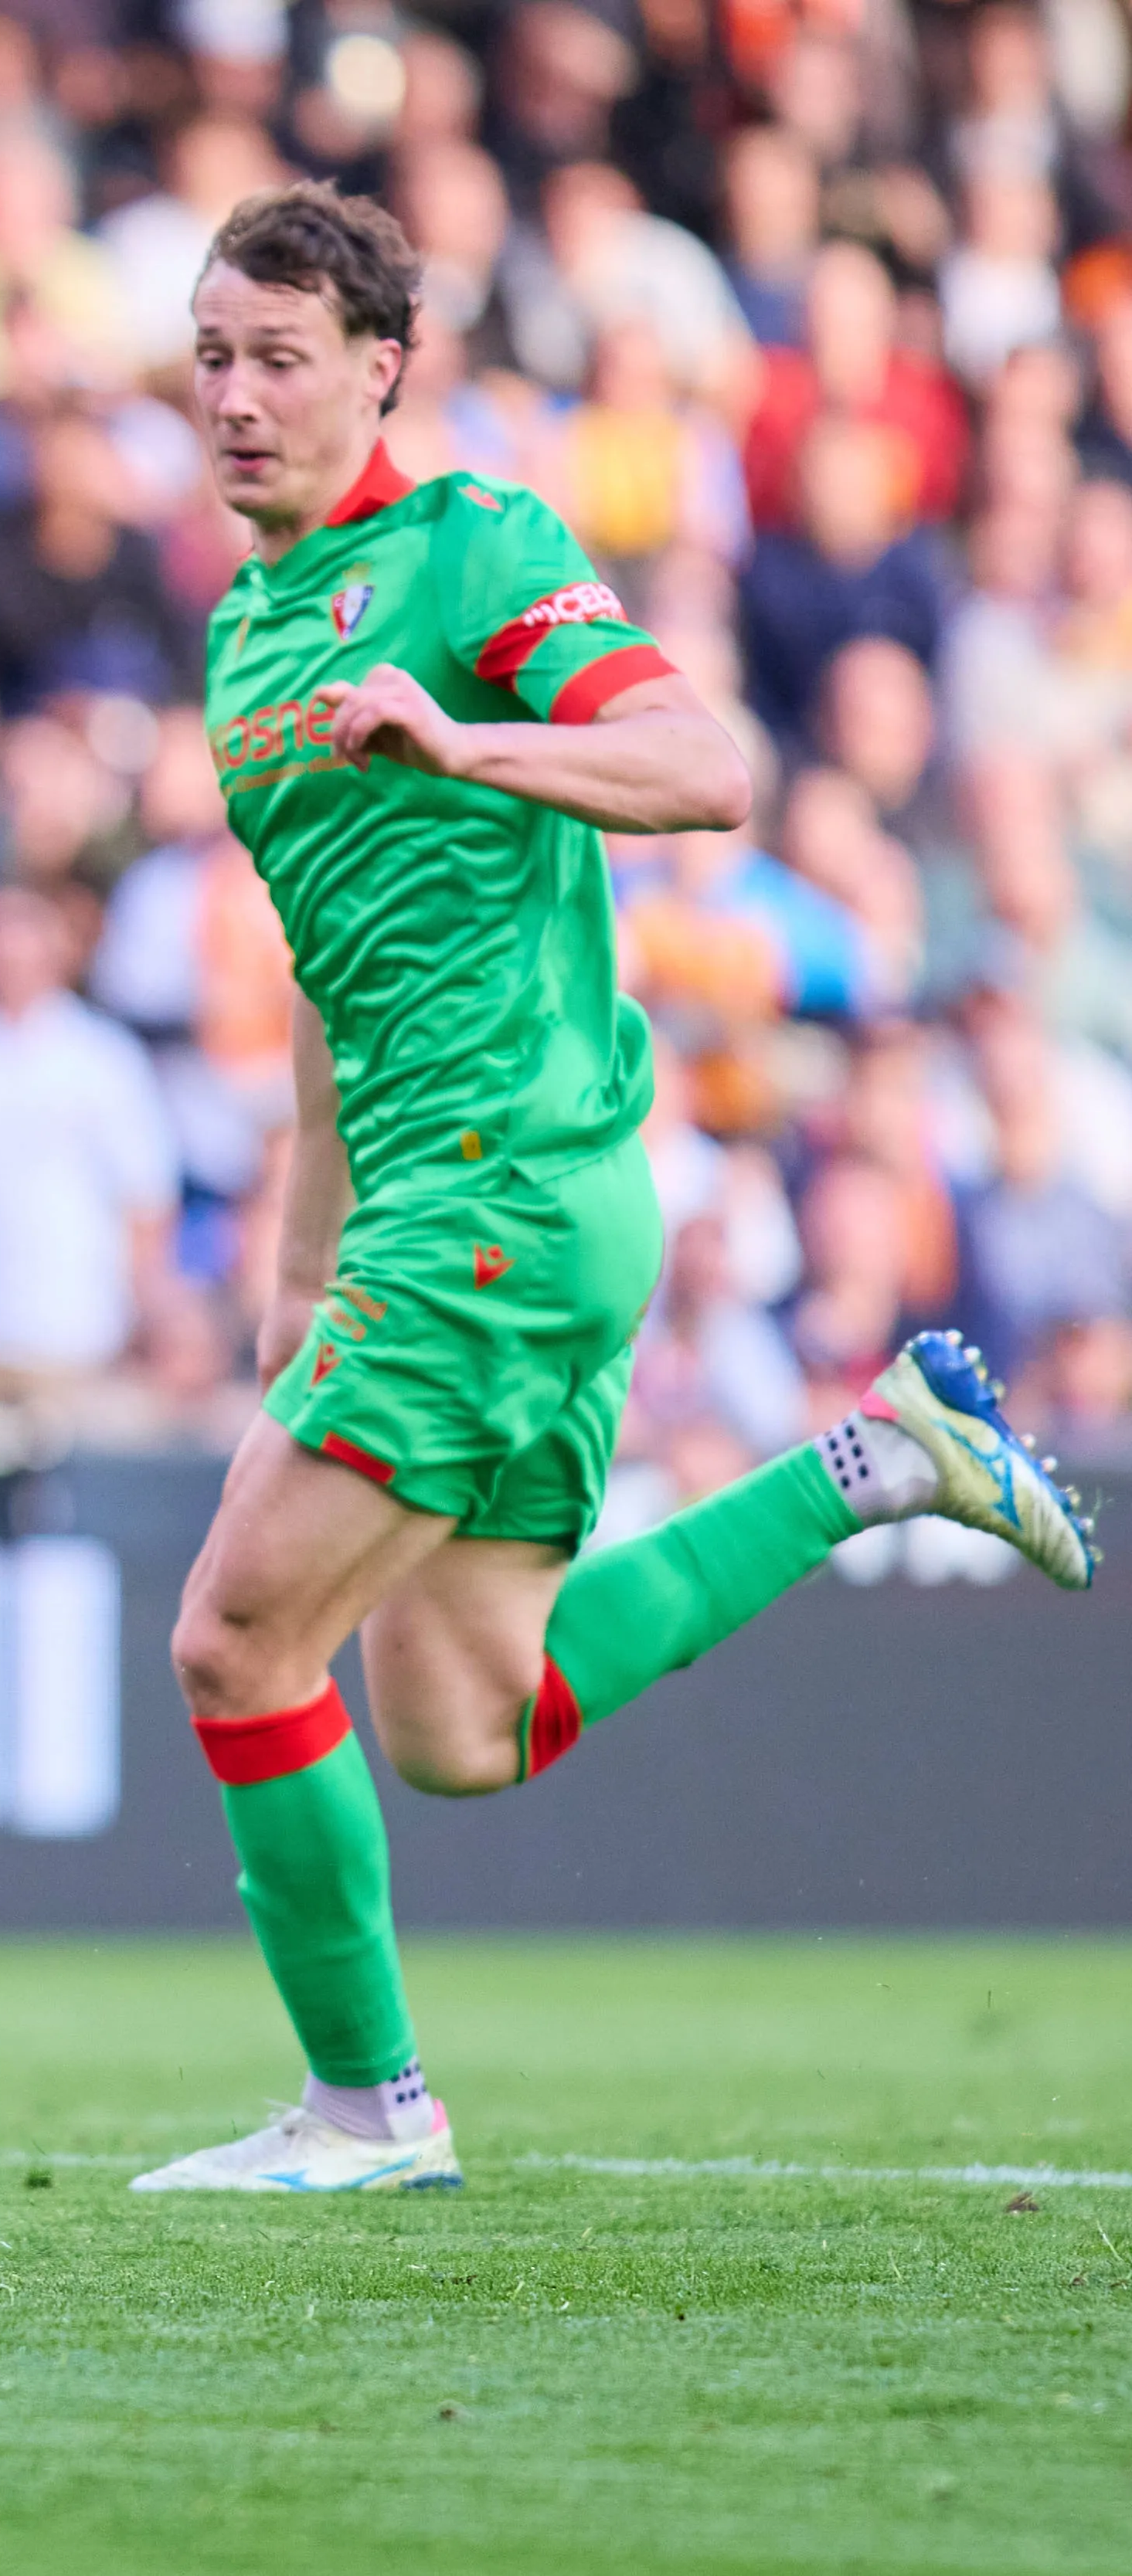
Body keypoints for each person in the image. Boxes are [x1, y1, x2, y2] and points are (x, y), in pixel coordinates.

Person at [143, 185, 1096, 2198]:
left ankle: (365, 2110)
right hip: (448, 1209)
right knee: (465, 1723)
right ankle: (879, 1458)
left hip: (504, 1189)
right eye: (211, 356)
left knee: (239, 1639)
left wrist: (464, 736)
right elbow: (333, 962)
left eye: (278, 358)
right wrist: (298, 1252)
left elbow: (709, 762)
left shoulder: (472, 542)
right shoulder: (241, 631)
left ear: (381, 364)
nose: (233, 396)